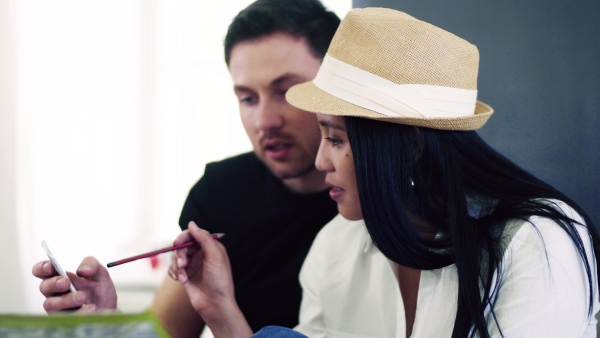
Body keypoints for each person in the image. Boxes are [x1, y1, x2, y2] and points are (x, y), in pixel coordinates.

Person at [168, 7, 600, 337]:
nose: (321, 162)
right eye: (247, 97)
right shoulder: (334, 246)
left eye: (336, 140)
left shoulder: (534, 242)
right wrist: (221, 311)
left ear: (409, 147)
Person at [31, 0, 340, 336]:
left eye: (286, 91)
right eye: (248, 98)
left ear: (338, 87)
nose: (265, 121)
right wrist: (106, 321)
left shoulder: (374, 204)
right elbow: (166, 332)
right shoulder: (220, 192)